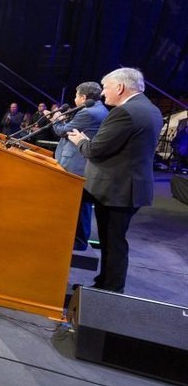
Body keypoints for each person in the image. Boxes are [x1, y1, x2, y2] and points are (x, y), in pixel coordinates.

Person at [68, 68, 163, 293]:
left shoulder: (125, 112)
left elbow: (95, 149)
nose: (103, 95)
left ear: (120, 87)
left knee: (113, 243)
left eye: (107, 88)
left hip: (117, 190)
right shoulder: (151, 109)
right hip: (129, 187)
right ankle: (105, 285)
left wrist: (80, 140)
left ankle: (110, 291)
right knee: (112, 242)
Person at [52, 81, 108, 251]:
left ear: (83, 97)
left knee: (80, 204)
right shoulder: (97, 110)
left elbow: (64, 131)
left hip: (76, 164)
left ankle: (78, 241)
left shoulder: (88, 113)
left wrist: (56, 120)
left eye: (76, 95)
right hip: (82, 162)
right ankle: (76, 238)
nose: (74, 98)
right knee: (80, 204)